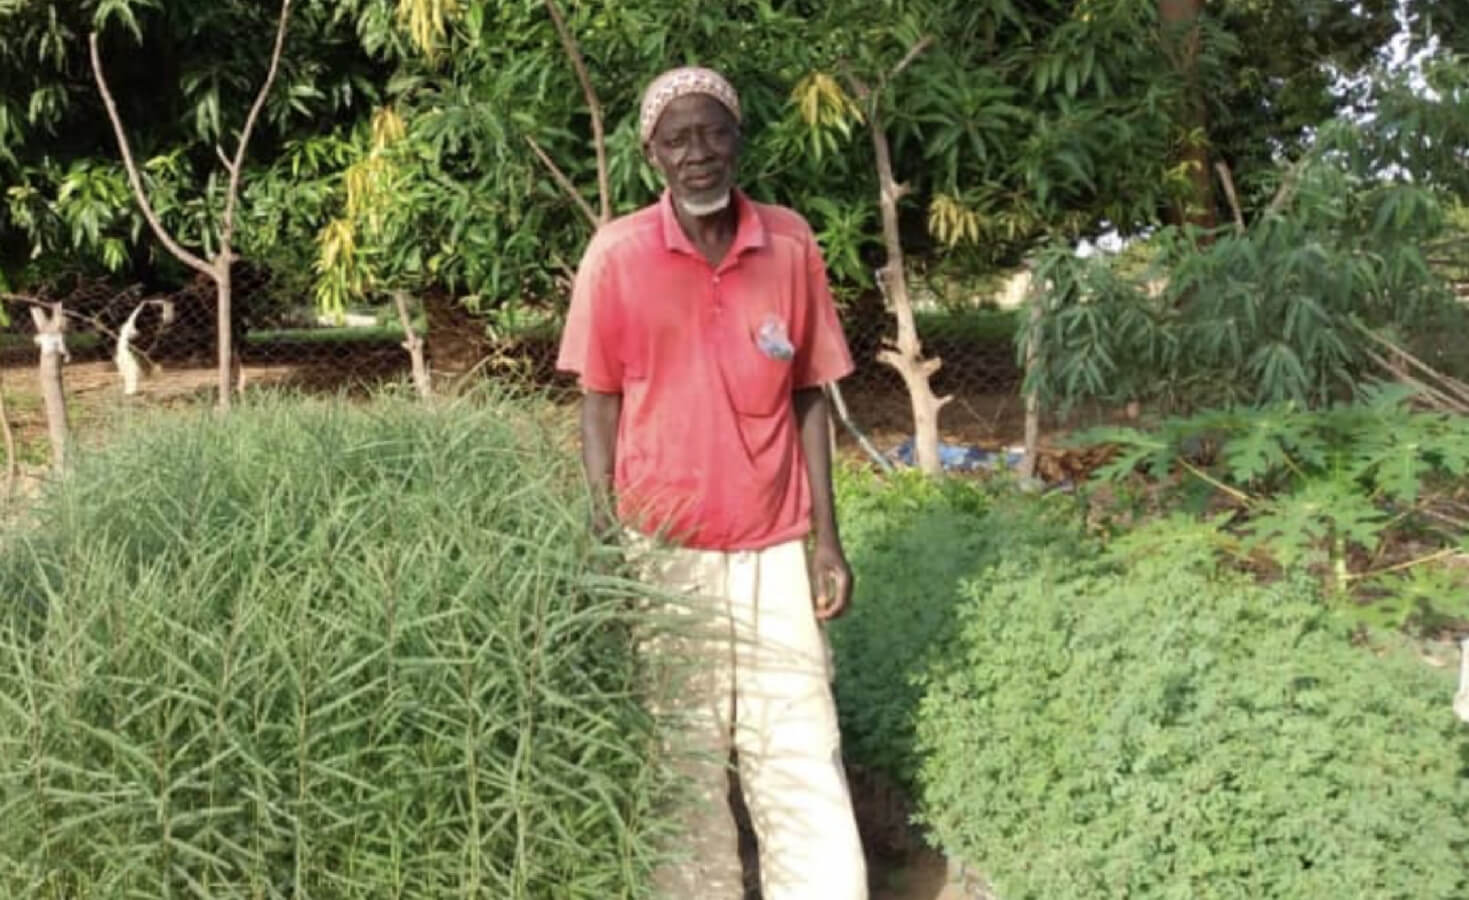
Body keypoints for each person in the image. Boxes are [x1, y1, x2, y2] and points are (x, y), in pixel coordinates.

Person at [555, 66, 868, 899]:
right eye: (678, 139)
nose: (699, 154)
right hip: (663, 543)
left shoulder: (790, 244)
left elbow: (808, 393)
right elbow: (598, 403)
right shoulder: (617, 254)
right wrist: (603, 534)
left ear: (738, 139)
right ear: (651, 155)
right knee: (683, 746)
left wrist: (824, 539)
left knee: (796, 738)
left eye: (714, 132)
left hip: (772, 541)